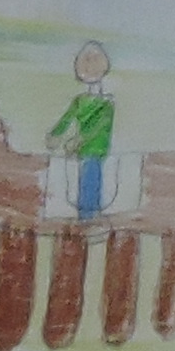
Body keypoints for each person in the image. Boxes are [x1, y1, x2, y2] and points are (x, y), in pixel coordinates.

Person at [44, 40, 119, 220]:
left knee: (90, 175)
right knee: (77, 176)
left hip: (96, 148)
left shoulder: (107, 103)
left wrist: (77, 140)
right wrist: (55, 134)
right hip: (82, 150)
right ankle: (80, 213)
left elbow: (98, 127)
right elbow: (66, 119)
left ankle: (89, 215)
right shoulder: (79, 100)